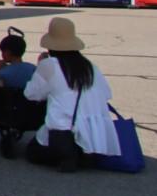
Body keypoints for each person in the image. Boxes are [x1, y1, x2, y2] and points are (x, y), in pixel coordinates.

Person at [23, 17, 118, 170]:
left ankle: (67, 156)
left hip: (63, 133)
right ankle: (82, 156)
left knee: (32, 152)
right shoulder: (90, 66)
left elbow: (31, 94)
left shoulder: (49, 65)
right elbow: (106, 94)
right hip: (94, 135)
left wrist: (40, 66)